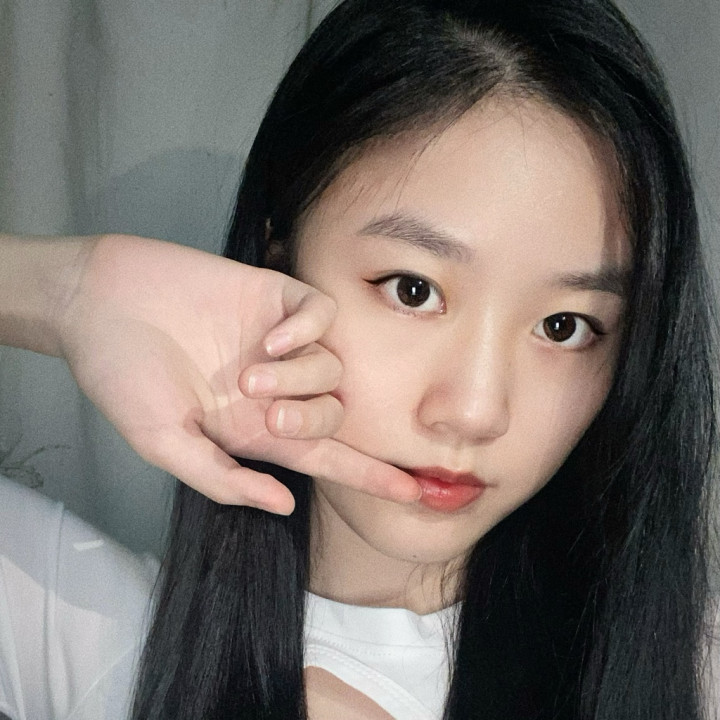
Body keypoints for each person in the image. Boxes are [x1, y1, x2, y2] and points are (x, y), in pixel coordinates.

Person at [0, 1, 717, 719]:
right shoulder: (86, 629)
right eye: (413, 290)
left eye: (563, 327)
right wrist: (65, 290)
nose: (475, 411)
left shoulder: (694, 667)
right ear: (281, 254)